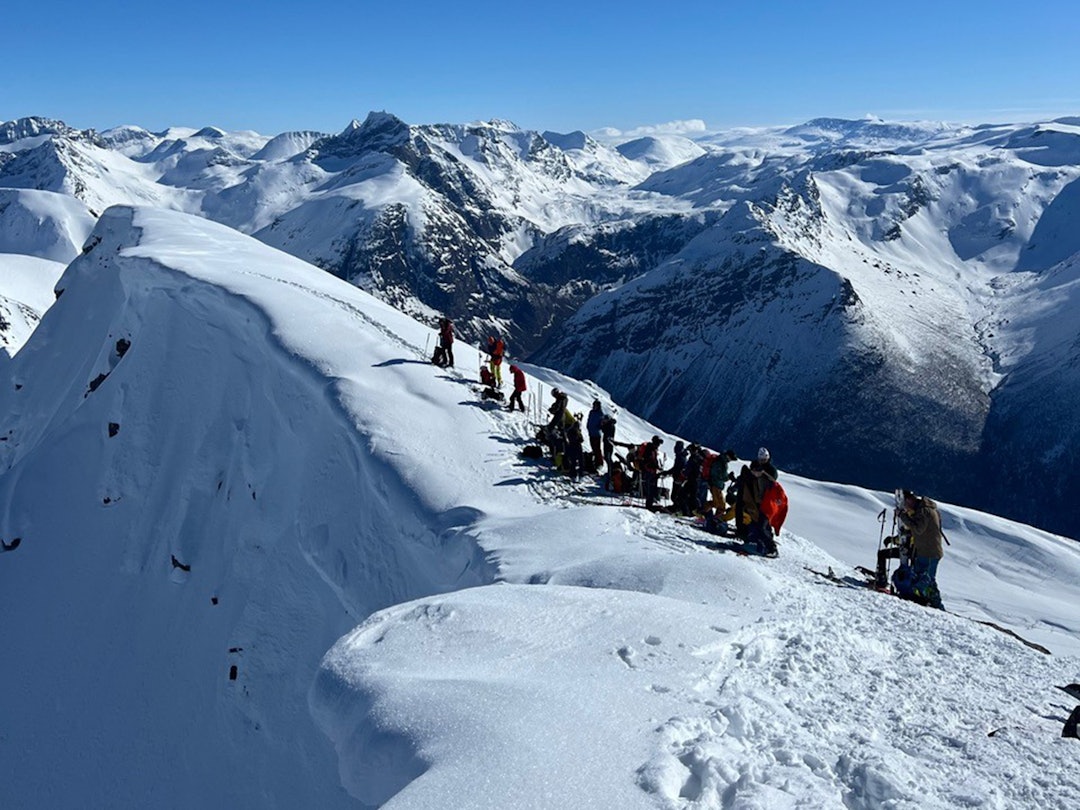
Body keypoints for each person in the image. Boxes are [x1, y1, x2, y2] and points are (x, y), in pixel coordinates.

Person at [896, 490, 945, 609]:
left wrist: (903, 516)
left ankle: (936, 604)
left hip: (929, 551)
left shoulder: (923, 511)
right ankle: (932, 603)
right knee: (924, 578)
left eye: (905, 504)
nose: (906, 507)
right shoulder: (926, 509)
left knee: (926, 579)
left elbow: (918, 529)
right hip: (928, 551)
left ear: (909, 500)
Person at [734, 447, 780, 556]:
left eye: (764, 459)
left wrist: (762, 473)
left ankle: (771, 547)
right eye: (761, 459)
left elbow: (772, 483)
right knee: (756, 522)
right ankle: (757, 541)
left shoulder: (770, 471)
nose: (762, 461)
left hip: (766, 503)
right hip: (757, 502)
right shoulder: (756, 471)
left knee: (762, 525)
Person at [586, 400, 605, 471]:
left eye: (595, 405)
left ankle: (600, 462)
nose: (593, 406)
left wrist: (599, 426)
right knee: (593, 448)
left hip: (596, 434)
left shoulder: (600, 414)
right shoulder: (591, 412)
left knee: (597, 449)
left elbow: (602, 424)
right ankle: (596, 461)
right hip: (591, 433)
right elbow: (589, 420)